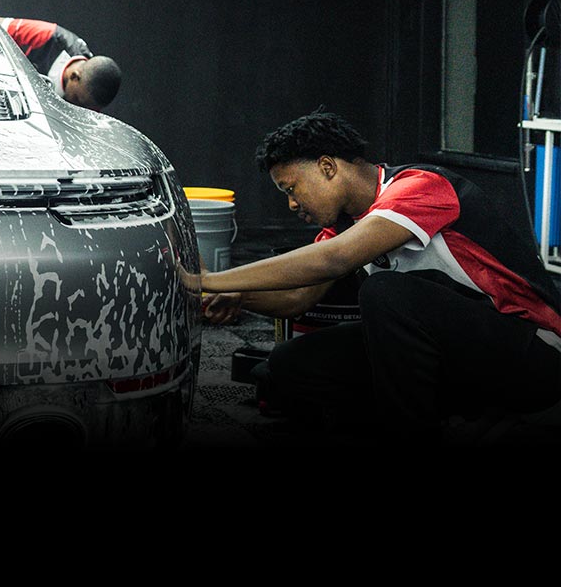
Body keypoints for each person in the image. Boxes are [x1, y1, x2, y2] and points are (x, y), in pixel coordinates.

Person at [184, 111, 561, 444]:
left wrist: (209, 280)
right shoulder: (345, 227)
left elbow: (335, 259)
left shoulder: (421, 186)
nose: (292, 204)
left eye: (291, 188)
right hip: (461, 357)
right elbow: (297, 298)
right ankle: (465, 417)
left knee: (386, 292)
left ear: (328, 167)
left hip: (535, 355)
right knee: (287, 366)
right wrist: (237, 296)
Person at [0, 16, 121, 112]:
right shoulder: (46, 35)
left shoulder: (89, 101)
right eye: (77, 100)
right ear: (74, 77)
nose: (79, 110)